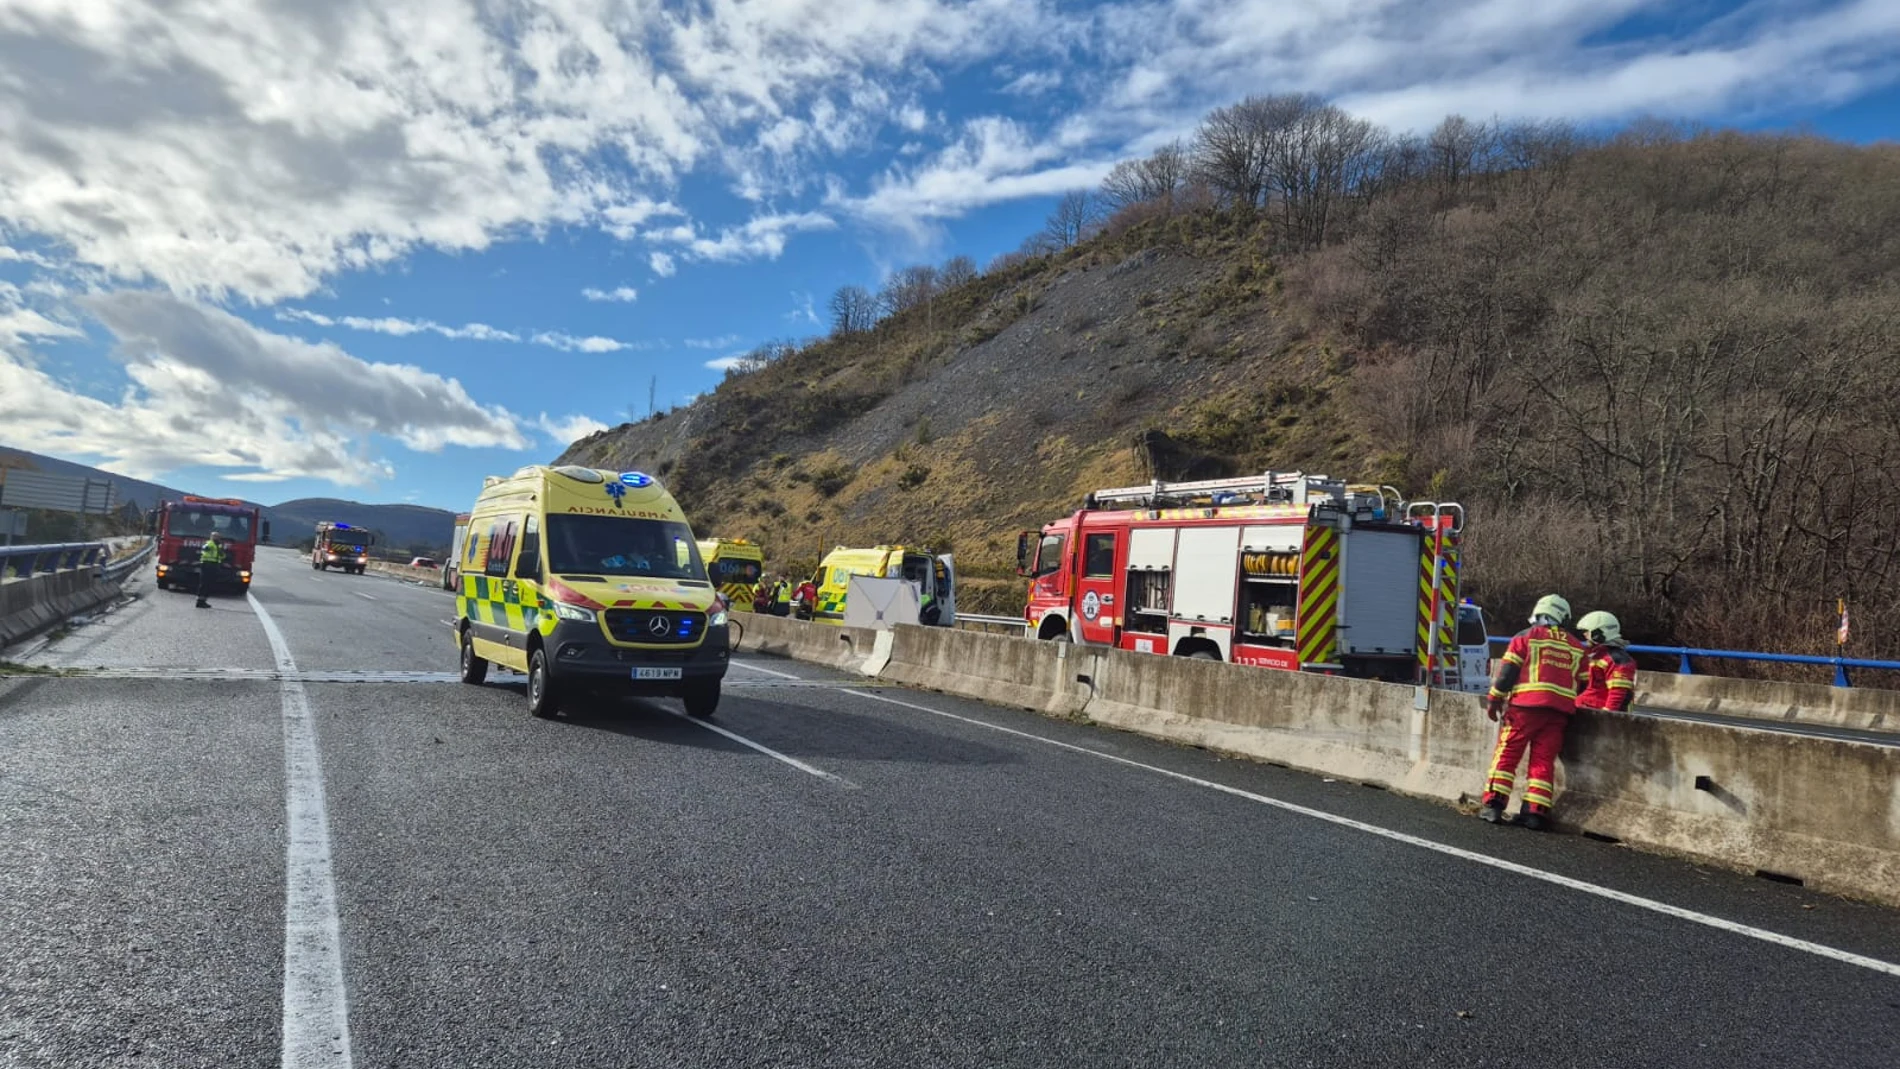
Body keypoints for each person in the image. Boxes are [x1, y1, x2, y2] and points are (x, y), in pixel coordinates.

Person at [1478, 594, 1587, 830]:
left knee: (1507, 754)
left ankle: (1493, 806)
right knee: (1542, 761)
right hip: (1559, 714)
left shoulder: (1525, 637)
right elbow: (1584, 684)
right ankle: (1534, 813)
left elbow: (1507, 673)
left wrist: (1494, 699)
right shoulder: (1577, 646)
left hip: (1524, 708)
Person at [1575, 611, 1638, 714]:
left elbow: (1617, 694)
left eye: (1587, 631)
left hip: (1599, 715)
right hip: (1588, 709)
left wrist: (1605, 717)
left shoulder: (1617, 659)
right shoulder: (1597, 655)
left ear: (1598, 633)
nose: (1584, 635)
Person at [195, 532, 225, 608]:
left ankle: (203, 600)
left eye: (218, 537)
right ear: (212, 537)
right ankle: (200, 601)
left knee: (209, 584)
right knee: (204, 583)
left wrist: (222, 554)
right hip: (207, 565)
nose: (217, 538)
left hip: (214, 565)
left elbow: (222, 556)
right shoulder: (210, 544)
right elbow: (205, 548)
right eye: (215, 537)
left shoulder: (218, 545)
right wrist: (207, 548)